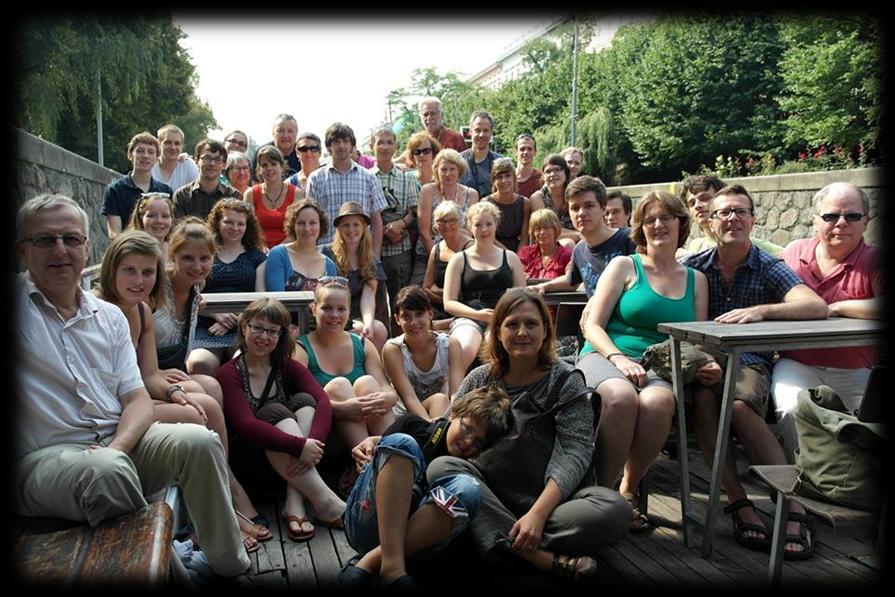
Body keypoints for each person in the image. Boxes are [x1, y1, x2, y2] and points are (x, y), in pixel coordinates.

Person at [14, 194, 249, 578]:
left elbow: (137, 396)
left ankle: (228, 565)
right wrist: (113, 456)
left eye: (71, 239)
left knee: (199, 441)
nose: (60, 249)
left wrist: (120, 446)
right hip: (44, 458)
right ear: (22, 250)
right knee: (107, 472)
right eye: (44, 240)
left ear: (87, 247)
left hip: (113, 442)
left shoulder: (108, 316)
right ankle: (180, 575)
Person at [427, 289, 630, 582]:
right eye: (512, 324)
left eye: (531, 324)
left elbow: (575, 453)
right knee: (441, 468)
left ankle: (489, 534)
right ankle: (533, 555)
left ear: (546, 330)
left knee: (615, 510)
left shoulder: (565, 381)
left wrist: (536, 515)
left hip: (551, 505)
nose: (522, 332)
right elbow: (446, 427)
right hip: (485, 492)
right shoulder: (480, 377)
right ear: (497, 331)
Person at [94, 229, 269, 553]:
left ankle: (222, 504)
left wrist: (175, 392)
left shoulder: (141, 309)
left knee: (206, 400)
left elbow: (148, 373)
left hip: (134, 396)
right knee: (200, 409)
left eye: (147, 272)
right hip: (112, 409)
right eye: (129, 271)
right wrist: (177, 395)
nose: (139, 280)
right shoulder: (102, 311)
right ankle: (222, 508)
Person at [683, 183, 828, 559]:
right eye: (723, 212)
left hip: (749, 362)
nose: (732, 218)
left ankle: (792, 505)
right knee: (701, 398)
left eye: (740, 211)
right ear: (710, 223)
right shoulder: (694, 269)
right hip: (705, 362)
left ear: (753, 219)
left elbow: (815, 307)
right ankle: (740, 503)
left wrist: (762, 311)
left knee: (739, 405)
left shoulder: (767, 266)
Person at [578, 191, 709, 531]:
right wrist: (618, 358)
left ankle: (628, 490)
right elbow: (592, 325)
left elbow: (695, 340)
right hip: (606, 353)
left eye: (666, 217)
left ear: (681, 223)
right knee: (620, 398)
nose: (658, 225)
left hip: (661, 364)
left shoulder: (697, 280)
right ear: (640, 228)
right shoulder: (624, 265)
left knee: (659, 402)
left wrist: (705, 363)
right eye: (649, 219)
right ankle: (600, 496)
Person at [338, 385, 514, 589]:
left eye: (478, 442)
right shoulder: (412, 425)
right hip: (367, 524)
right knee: (403, 443)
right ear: (453, 414)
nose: (467, 442)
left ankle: (373, 563)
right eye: (467, 428)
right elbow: (372, 470)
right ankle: (391, 567)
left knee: (469, 488)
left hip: (417, 549)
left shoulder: (465, 469)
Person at [772, 182, 883, 463]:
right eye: (831, 216)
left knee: (868, 428)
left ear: (866, 221)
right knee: (790, 410)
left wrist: (835, 308)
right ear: (814, 220)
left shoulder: (875, 259)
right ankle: (805, 482)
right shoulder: (794, 253)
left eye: (852, 216)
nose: (841, 223)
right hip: (796, 362)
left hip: (857, 368)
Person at [218, 298, 346, 542]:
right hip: (253, 466)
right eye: (258, 328)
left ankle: (295, 500)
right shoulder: (229, 373)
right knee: (274, 411)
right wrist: (300, 447)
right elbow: (245, 426)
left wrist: (313, 445)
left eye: (272, 331)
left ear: (280, 336)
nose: (264, 337)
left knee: (305, 401)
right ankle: (326, 503)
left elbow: (322, 402)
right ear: (244, 327)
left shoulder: (286, 366)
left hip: (291, 467)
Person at [293, 278, 399, 458]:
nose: (334, 315)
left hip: (370, 426)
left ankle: (391, 458)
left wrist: (381, 400)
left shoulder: (363, 345)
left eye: (341, 309)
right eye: (327, 308)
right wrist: (342, 409)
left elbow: (388, 390)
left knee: (367, 383)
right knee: (339, 386)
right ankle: (369, 463)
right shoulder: (301, 350)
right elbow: (300, 401)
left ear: (349, 311)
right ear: (314, 309)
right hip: (327, 433)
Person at [443, 201, 527, 371]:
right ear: (469, 227)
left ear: (496, 224)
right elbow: (449, 302)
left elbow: (522, 298)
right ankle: (452, 393)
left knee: (495, 346)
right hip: (469, 316)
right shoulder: (459, 259)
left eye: (489, 224)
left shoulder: (510, 258)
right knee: (465, 346)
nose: (484, 230)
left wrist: (500, 317)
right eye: (478, 225)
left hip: (503, 317)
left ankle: (495, 393)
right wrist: (478, 315)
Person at [189, 199, 267, 377]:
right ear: (218, 222)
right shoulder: (204, 254)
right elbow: (190, 294)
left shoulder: (257, 257)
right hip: (206, 327)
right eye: (229, 222)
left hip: (244, 328)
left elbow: (261, 298)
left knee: (243, 364)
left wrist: (236, 320)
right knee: (199, 362)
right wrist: (216, 315)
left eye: (241, 223)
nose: (235, 227)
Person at [531, 175, 636, 298]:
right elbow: (571, 281)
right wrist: (543, 286)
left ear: (603, 208)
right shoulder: (580, 250)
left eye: (589, 206)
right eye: (575, 208)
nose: (581, 213)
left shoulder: (629, 238)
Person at [382, 286, 464, 421]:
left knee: (442, 400)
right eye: (406, 316)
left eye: (419, 314)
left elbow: (456, 393)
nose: (413, 322)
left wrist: (450, 420)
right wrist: (430, 425)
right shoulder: (393, 349)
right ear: (397, 319)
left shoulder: (450, 345)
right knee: (439, 400)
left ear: (430, 314)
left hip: (443, 413)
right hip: (407, 417)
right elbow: (409, 398)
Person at [305, 122, 387, 254]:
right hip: (327, 253)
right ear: (329, 146)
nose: (341, 145)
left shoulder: (369, 177)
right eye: (336, 141)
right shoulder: (316, 179)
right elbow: (310, 220)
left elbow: (376, 221)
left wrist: (375, 256)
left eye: (345, 141)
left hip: (361, 254)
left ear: (352, 146)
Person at [369, 125, 420, 333]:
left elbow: (413, 212)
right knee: (378, 304)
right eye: (380, 142)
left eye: (389, 142)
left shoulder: (406, 177)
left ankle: (402, 344)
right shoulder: (366, 176)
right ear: (372, 146)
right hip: (374, 250)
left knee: (401, 302)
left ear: (396, 146)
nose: (385, 147)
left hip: (400, 248)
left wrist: (400, 224)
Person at [322, 202, 389, 353]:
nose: (351, 230)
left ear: (364, 227)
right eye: (346, 225)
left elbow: (369, 295)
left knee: (378, 329)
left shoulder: (371, 259)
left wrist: (368, 323)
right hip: (333, 313)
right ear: (339, 228)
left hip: (357, 316)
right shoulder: (327, 254)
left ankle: (373, 371)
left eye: (356, 225)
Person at [678, 174, 782, 257]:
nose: (697, 206)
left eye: (705, 198)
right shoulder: (695, 246)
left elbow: (787, 255)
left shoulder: (756, 247)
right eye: (692, 203)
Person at [416, 148, 478, 274]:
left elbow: (469, 231)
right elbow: (424, 232)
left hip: (462, 254)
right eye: (443, 169)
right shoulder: (427, 191)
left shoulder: (471, 194)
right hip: (429, 254)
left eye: (452, 169)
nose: (448, 173)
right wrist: (437, 259)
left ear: (459, 170)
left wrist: (457, 260)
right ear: (436, 171)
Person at [101, 131, 173, 238]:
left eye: (151, 152)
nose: (145, 156)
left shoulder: (166, 191)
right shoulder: (114, 190)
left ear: (157, 159)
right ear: (130, 155)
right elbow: (114, 233)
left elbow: (170, 231)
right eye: (140, 151)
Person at [263, 199, 338, 292]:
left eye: (312, 223)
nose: (307, 228)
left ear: (320, 226)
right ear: (293, 226)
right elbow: (275, 300)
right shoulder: (279, 254)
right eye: (301, 223)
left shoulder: (329, 265)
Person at [422, 201, 473, 329]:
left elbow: (470, 290)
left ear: (460, 222)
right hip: (438, 311)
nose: (447, 225)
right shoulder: (436, 249)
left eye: (452, 220)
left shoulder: (470, 248)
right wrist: (448, 298)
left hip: (466, 312)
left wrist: (442, 293)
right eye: (442, 221)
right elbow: (427, 287)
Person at [245, 145, 304, 249]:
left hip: (289, 250)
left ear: (281, 166)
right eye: (264, 165)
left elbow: (299, 228)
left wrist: (277, 250)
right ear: (259, 170)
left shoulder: (297, 194)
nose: (269, 168)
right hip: (258, 250)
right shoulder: (250, 194)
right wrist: (262, 248)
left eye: (273, 164)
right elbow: (248, 228)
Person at [173, 138, 240, 221]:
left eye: (217, 159)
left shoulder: (234, 196)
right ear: (196, 161)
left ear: (224, 165)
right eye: (207, 158)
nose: (212, 163)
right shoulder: (182, 195)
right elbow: (178, 230)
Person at [529, 154, 579, 246]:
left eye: (557, 170)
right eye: (548, 171)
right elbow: (545, 230)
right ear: (543, 176)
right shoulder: (538, 198)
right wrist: (577, 235)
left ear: (566, 173)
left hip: (580, 240)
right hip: (548, 242)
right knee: (568, 243)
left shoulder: (574, 195)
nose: (553, 174)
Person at [483, 157, 531, 252]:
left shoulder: (525, 203)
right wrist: (508, 255)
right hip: (492, 249)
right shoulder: (486, 203)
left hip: (518, 250)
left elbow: (525, 237)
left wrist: (519, 257)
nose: (504, 180)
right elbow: (489, 236)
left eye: (508, 176)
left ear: (514, 178)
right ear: (493, 181)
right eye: (499, 177)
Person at [517, 208, 573, 281]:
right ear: (533, 232)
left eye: (546, 228)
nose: (542, 232)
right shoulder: (525, 253)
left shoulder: (568, 255)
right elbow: (516, 276)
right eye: (538, 229)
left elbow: (570, 280)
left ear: (555, 229)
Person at [460, 111, 502, 199]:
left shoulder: (500, 162)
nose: (481, 135)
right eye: (477, 130)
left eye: (486, 130)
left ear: (491, 133)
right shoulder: (458, 161)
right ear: (470, 132)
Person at [126, 191, 174, 262]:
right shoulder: (129, 251)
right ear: (140, 218)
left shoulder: (177, 251)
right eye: (151, 216)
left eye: (165, 216)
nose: (159, 221)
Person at [251, 114, 301, 181]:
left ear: (296, 133)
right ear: (273, 133)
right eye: (280, 131)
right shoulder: (262, 153)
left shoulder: (304, 152)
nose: (285, 135)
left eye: (290, 131)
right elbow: (255, 183)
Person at [152, 124, 200, 194]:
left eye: (177, 143)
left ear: (182, 146)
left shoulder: (188, 165)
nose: (173, 147)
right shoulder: (150, 165)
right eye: (168, 143)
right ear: (159, 144)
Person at [514, 134, 542, 199]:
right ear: (516, 152)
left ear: (535, 152)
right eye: (522, 149)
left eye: (529, 149)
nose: (526, 152)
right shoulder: (507, 178)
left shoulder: (542, 178)